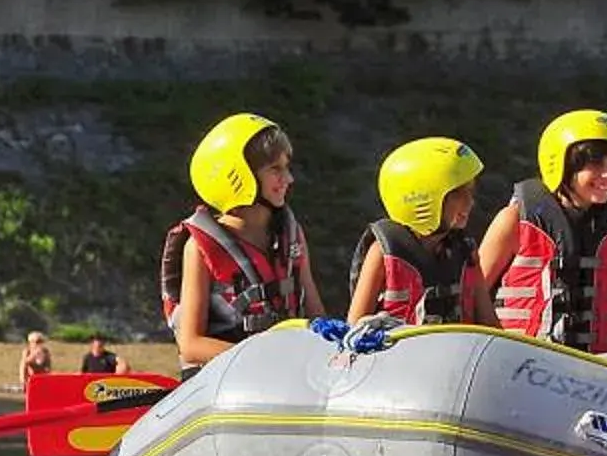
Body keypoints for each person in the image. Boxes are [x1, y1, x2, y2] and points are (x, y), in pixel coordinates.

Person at [481, 110, 607, 356]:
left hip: (596, 371)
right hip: (520, 364)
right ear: (561, 165)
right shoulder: (514, 220)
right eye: (595, 164)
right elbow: (471, 296)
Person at [159, 112, 323, 370]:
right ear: (238, 177)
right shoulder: (199, 248)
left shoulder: (291, 234)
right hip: (225, 382)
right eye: (275, 170)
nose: (289, 179)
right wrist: (268, 362)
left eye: (286, 168)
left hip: (285, 375)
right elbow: (191, 345)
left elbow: (316, 314)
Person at [344, 138, 486, 327]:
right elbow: (353, 330)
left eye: (470, 191)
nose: (470, 202)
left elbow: (490, 324)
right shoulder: (381, 254)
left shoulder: (466, 251)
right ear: (421, 198)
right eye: (458, 193)